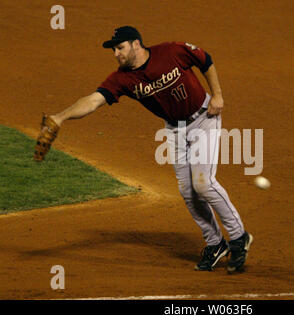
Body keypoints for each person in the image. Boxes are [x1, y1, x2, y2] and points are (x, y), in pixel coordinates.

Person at [43, 26, 253, 273]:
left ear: (135, 44)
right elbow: (93, 100)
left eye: (119, 48)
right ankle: (215, 243)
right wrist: (61, 117)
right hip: (175, 130)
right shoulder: (122, 78)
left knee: (203, 183)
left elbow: (205, 60)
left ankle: (239, 237)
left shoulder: (170, 51)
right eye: (113, 50)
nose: (116, 54)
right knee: (188, 191)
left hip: (204, 117)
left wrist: (217, 95)